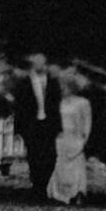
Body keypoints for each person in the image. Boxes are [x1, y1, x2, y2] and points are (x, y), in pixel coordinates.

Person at [12, 51, 63, 200]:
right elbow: (19, 106)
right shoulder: (23, 83)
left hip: (48, 125)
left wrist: (58, 126)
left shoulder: (53, 82)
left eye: (42, 62)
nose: (40, 65)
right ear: (33, 65)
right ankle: (38, 188)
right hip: (31, 125)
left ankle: (43, 184)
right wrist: (19, 128)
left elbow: (56, 105)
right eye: (37, 62)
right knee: (34, 156)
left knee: (50, 157)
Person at [49, 68, 98, 203]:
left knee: (77, 166)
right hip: (60, 138)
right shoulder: (58, 102)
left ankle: (78, 192)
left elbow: (87, 122)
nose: (62, 89)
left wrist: (85, 139)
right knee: (60, 166)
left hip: (76, 138)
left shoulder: (83, 102)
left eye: (65, 86)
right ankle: (60, 194)